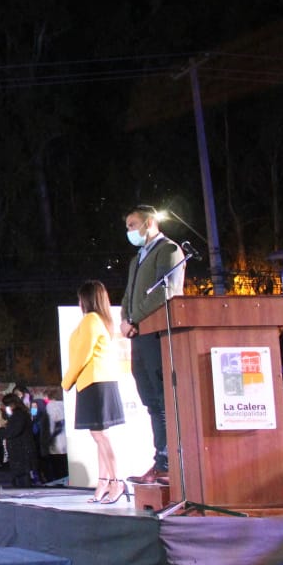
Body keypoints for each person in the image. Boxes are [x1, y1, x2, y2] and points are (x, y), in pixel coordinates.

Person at [120, 205, 184, 486]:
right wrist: (125, 318)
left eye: (133, 224)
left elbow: (164, 291)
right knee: (151, 402)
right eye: (127, 226)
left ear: (149, 222)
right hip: (139, 336)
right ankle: (161, 460)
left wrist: (134, 318)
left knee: (163, 400)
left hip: (157, 335)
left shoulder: (168, 250)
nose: (129, 231)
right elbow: (128, 295)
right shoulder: (137, 259)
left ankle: (172, 462)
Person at [61, 280, 127, 504]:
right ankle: (104, 482)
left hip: (95, 383)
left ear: (86, 299)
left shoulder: (91, 320)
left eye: (80, 298)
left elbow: (82, 354)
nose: (79, 303)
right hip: (95, 382)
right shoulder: (100, 320)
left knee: (101, 435)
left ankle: (116, 481)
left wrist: (66, 382)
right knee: (98, 435)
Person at [0, 392, 37, 488]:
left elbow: (12, 432)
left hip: (21, 451)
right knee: (20, 477)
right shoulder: (21, 414)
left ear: (11, 405)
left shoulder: (18, 415)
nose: (4, 407)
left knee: (22, 479)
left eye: (5, 405)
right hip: (21, 451)